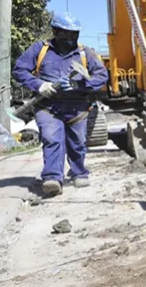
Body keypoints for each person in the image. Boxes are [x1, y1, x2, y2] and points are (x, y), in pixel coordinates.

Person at [13, 12, 108, 197]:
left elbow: (102, 76)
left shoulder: (85, 53)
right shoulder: (40, 50)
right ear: (55, 31)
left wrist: (79, 84)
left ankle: (78, 172)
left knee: (77, 143)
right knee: (52, 139)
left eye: (74, 34)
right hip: (48, 107)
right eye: (66, 33)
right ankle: (53, 178)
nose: (71, 38)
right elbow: (19, 70)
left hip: (77, 108)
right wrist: (39, 85)